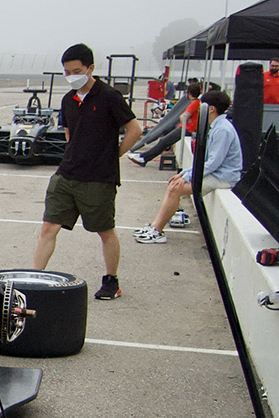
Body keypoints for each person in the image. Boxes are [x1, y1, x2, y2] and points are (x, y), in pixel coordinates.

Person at [32, 43, 142, 300]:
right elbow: (70, 134)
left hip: (98, 178)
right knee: (49, 226)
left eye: (77, 70)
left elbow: (134, 129)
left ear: (91, 68)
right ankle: (34, 278)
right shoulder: (68, 100)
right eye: (67, 72)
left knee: (104, 230)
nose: (72, 76)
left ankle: (111, 280)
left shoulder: (109, 96)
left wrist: (113, 154)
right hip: (66, 173)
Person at [134, 90, 243, 244]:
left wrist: (187, 176)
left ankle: (157, 230)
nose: (198, 109)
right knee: (173, 185)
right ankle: (155, 226)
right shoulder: (217, 126)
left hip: (224, 177)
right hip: (218, 173)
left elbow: (213, 163)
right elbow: (207, 162)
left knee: (176, 189)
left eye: (201, 106)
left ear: (211, 109)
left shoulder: (222, 130)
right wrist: (184, 173)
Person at [128, 82, 201, 166]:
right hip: (187, 128)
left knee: (163, 142)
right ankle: (143, 157)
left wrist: (186, 120)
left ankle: (144, 158)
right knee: (164, 142)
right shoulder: (197, 103)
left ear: (189, 93)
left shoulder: (193, 104)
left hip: (186, 128)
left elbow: (183, 117)